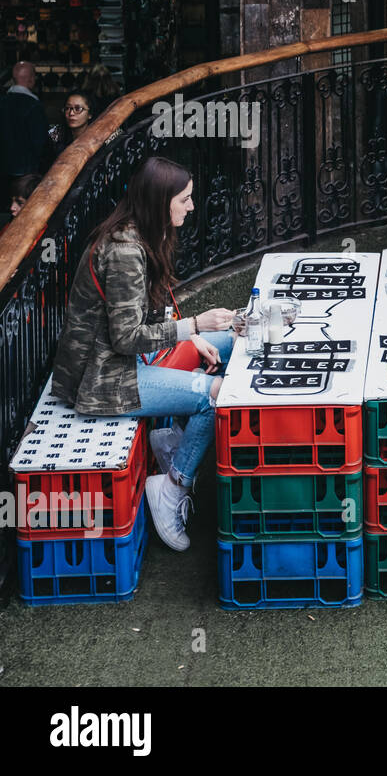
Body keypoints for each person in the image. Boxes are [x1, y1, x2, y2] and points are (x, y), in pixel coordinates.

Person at [50, 156, 236, 552]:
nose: (190, 206)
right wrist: (192, 328)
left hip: (128, 362)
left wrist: (186, 338)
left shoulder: (141, 233)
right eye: (184, 200)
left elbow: (145, 318)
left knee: (234, 343)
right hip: (104, 380)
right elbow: (126, 338)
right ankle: (171, 487)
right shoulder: (124, 252)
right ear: (160, 201)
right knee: (214, 395)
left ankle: (172, 441)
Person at [1, 62, 49, 183]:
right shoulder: (35, 106)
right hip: (27, 173)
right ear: (31, 79)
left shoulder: (2, 102)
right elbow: (40, 143)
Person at [47, 91, 95, 165]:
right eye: (67, 108)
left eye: (78, 109)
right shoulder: (55, 134)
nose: (71, 113)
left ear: (90, 114)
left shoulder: (98, 137)